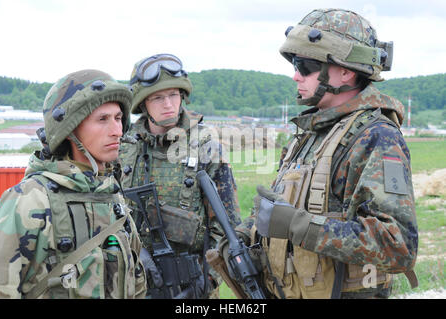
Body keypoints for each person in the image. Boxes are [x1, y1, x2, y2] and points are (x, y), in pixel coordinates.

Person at [231, 8, 418, 299]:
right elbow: (283, 209)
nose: (295, 75)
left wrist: (300, 227)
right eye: (294, 63)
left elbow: (398, 245)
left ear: (345, 71)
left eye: (305, 65)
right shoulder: (310, 134)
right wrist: (245, 235)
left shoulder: (376, 137)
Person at [0, 69, 146, 299]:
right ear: (69, 129)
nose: (117, 131)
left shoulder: (114, 198)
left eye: (118, 118)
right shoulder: (28, 200)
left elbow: (136, 284)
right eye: (102, 119)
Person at [119, 53, 241, 298]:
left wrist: (208, 279)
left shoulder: (206, 146)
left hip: (191, 283)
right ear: (143, 103)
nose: (168, 104)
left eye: (174, 95)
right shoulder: (123, 146)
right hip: (133, 280)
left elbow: (228, 227)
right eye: (158, 97)